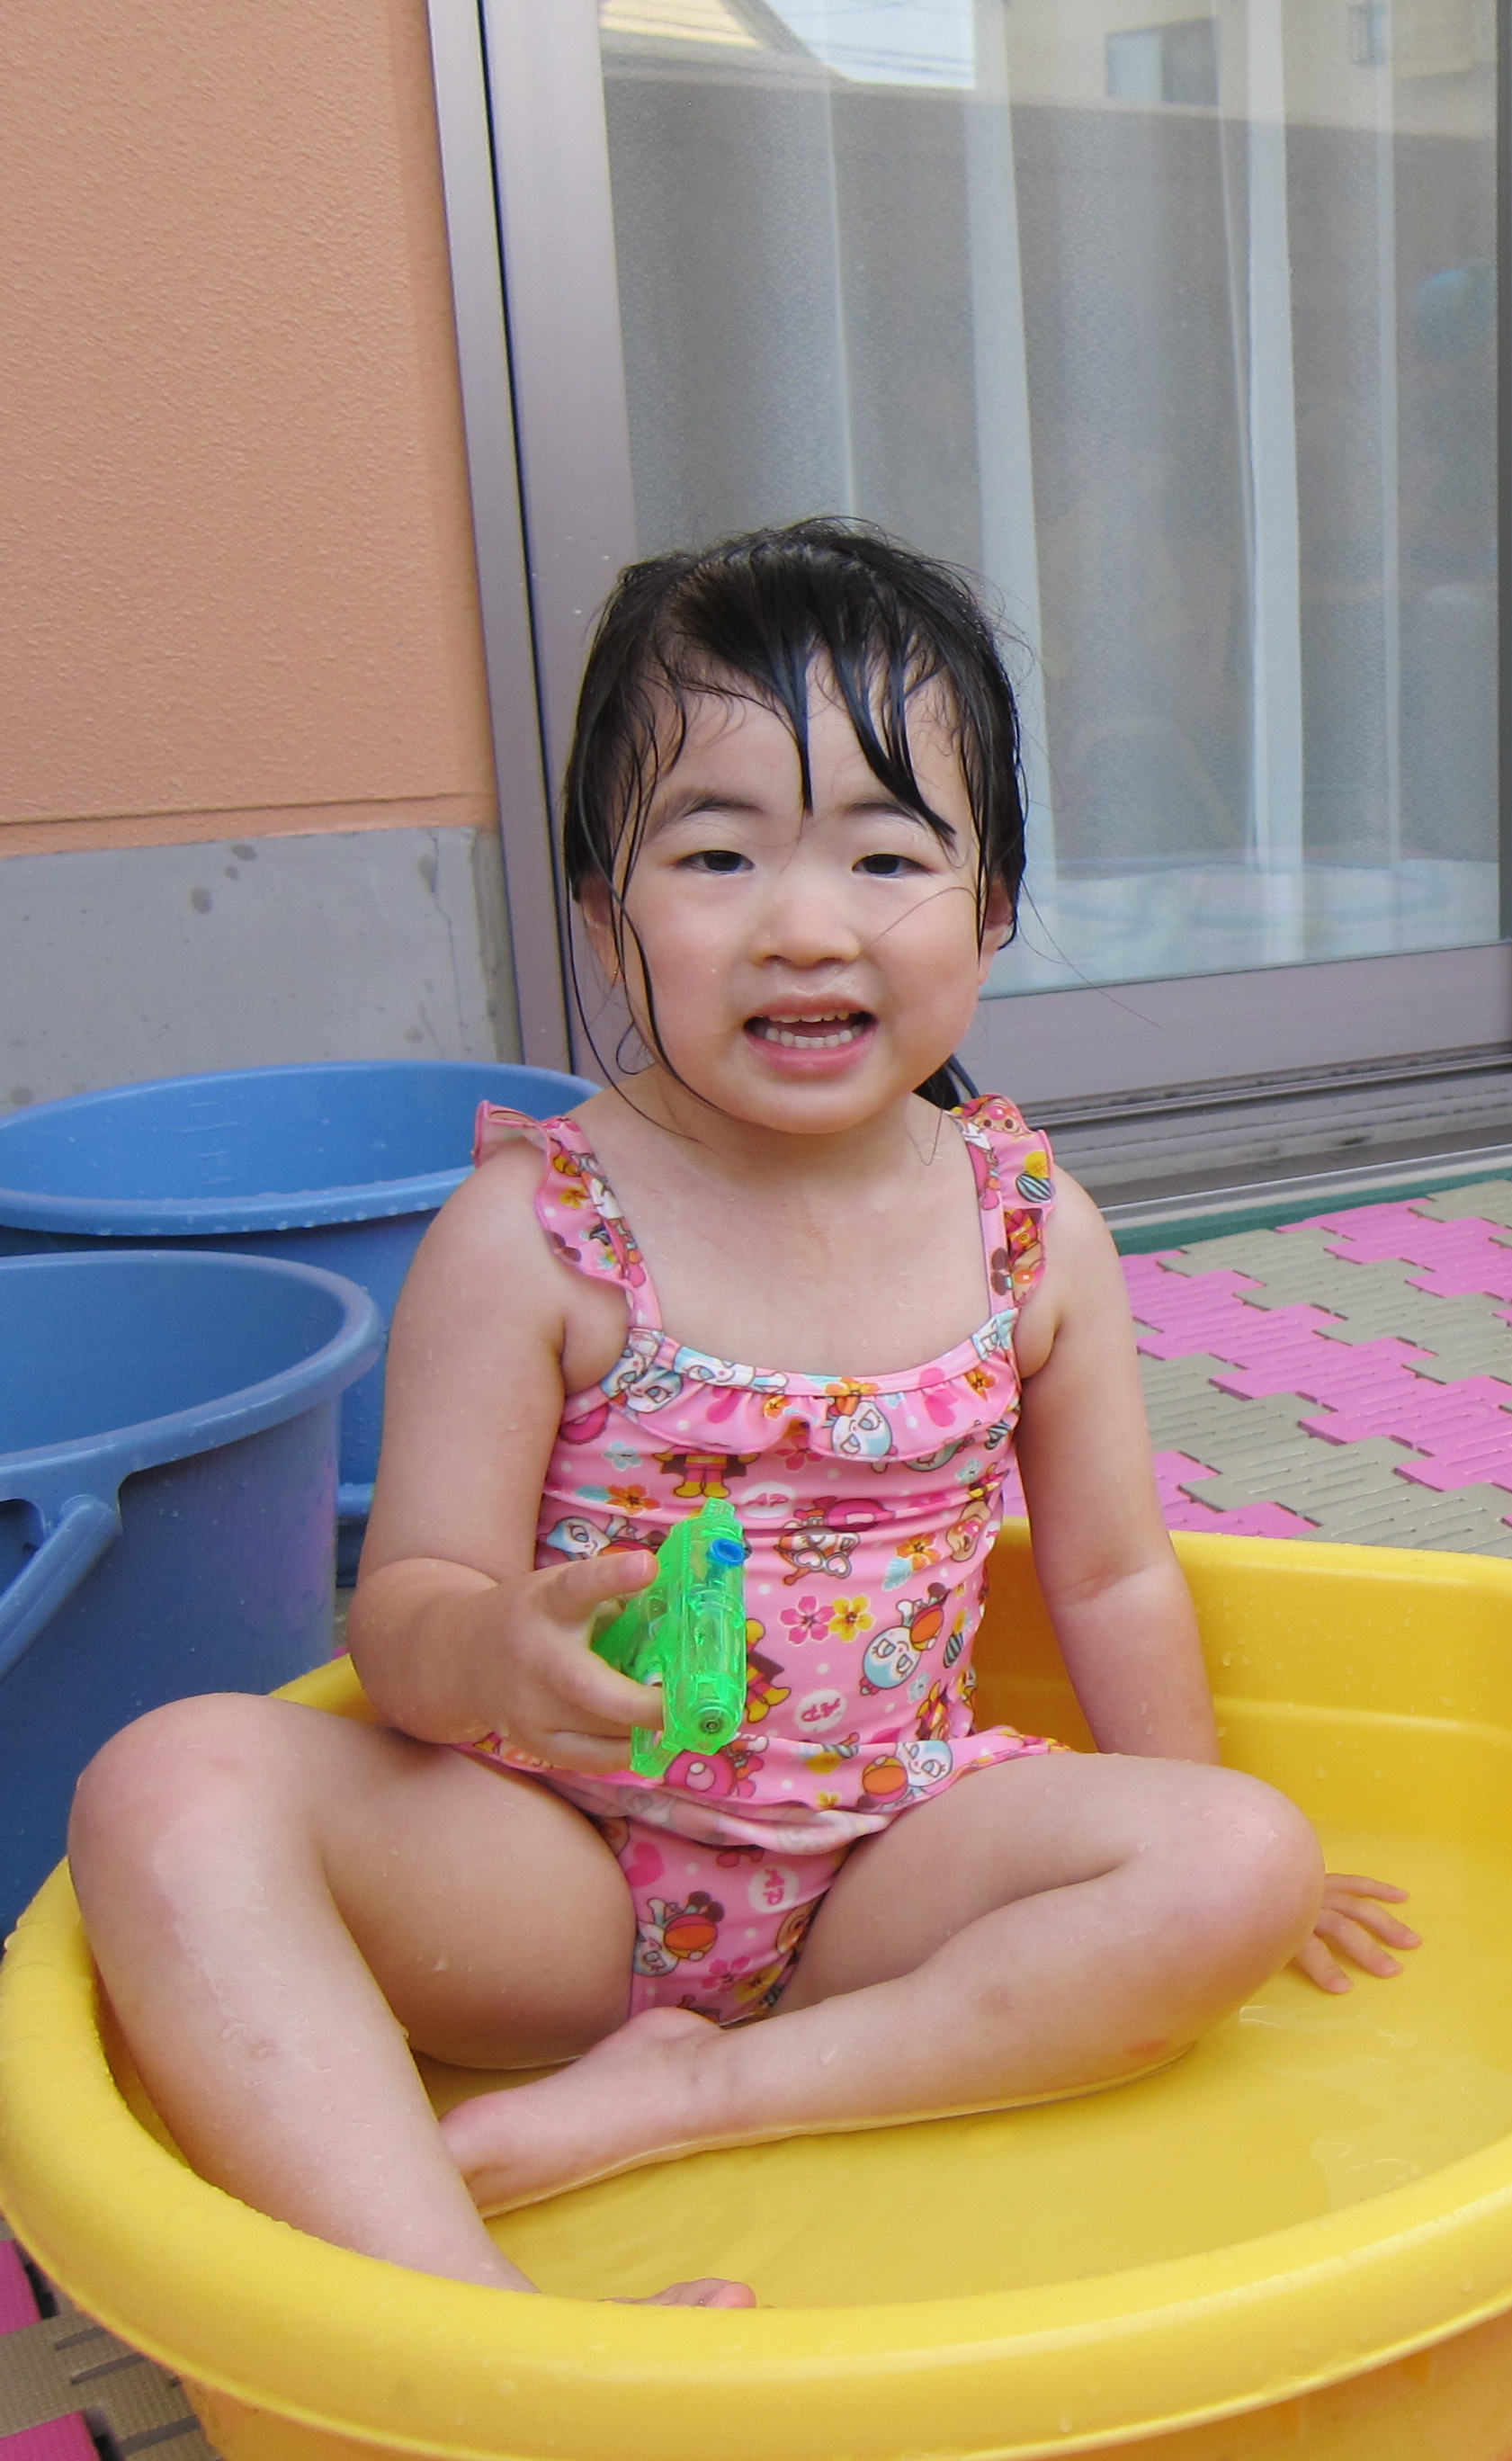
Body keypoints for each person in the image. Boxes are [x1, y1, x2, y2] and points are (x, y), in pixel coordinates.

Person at [63, 521, 1419, 2304]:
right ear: (603, 910)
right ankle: (456, 2329)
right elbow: (403, 1616)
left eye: (885, 855)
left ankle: (702, 2095)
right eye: (716, 854)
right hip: (553, 1870)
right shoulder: (532, 1236)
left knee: (1240, 1859)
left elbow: (1110, 1578)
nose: (802, 928)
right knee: (161, 1786)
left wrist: (1204, 1831)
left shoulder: (1029, 1231)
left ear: (993, 907)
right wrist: (490, 1653)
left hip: (887, 1867)